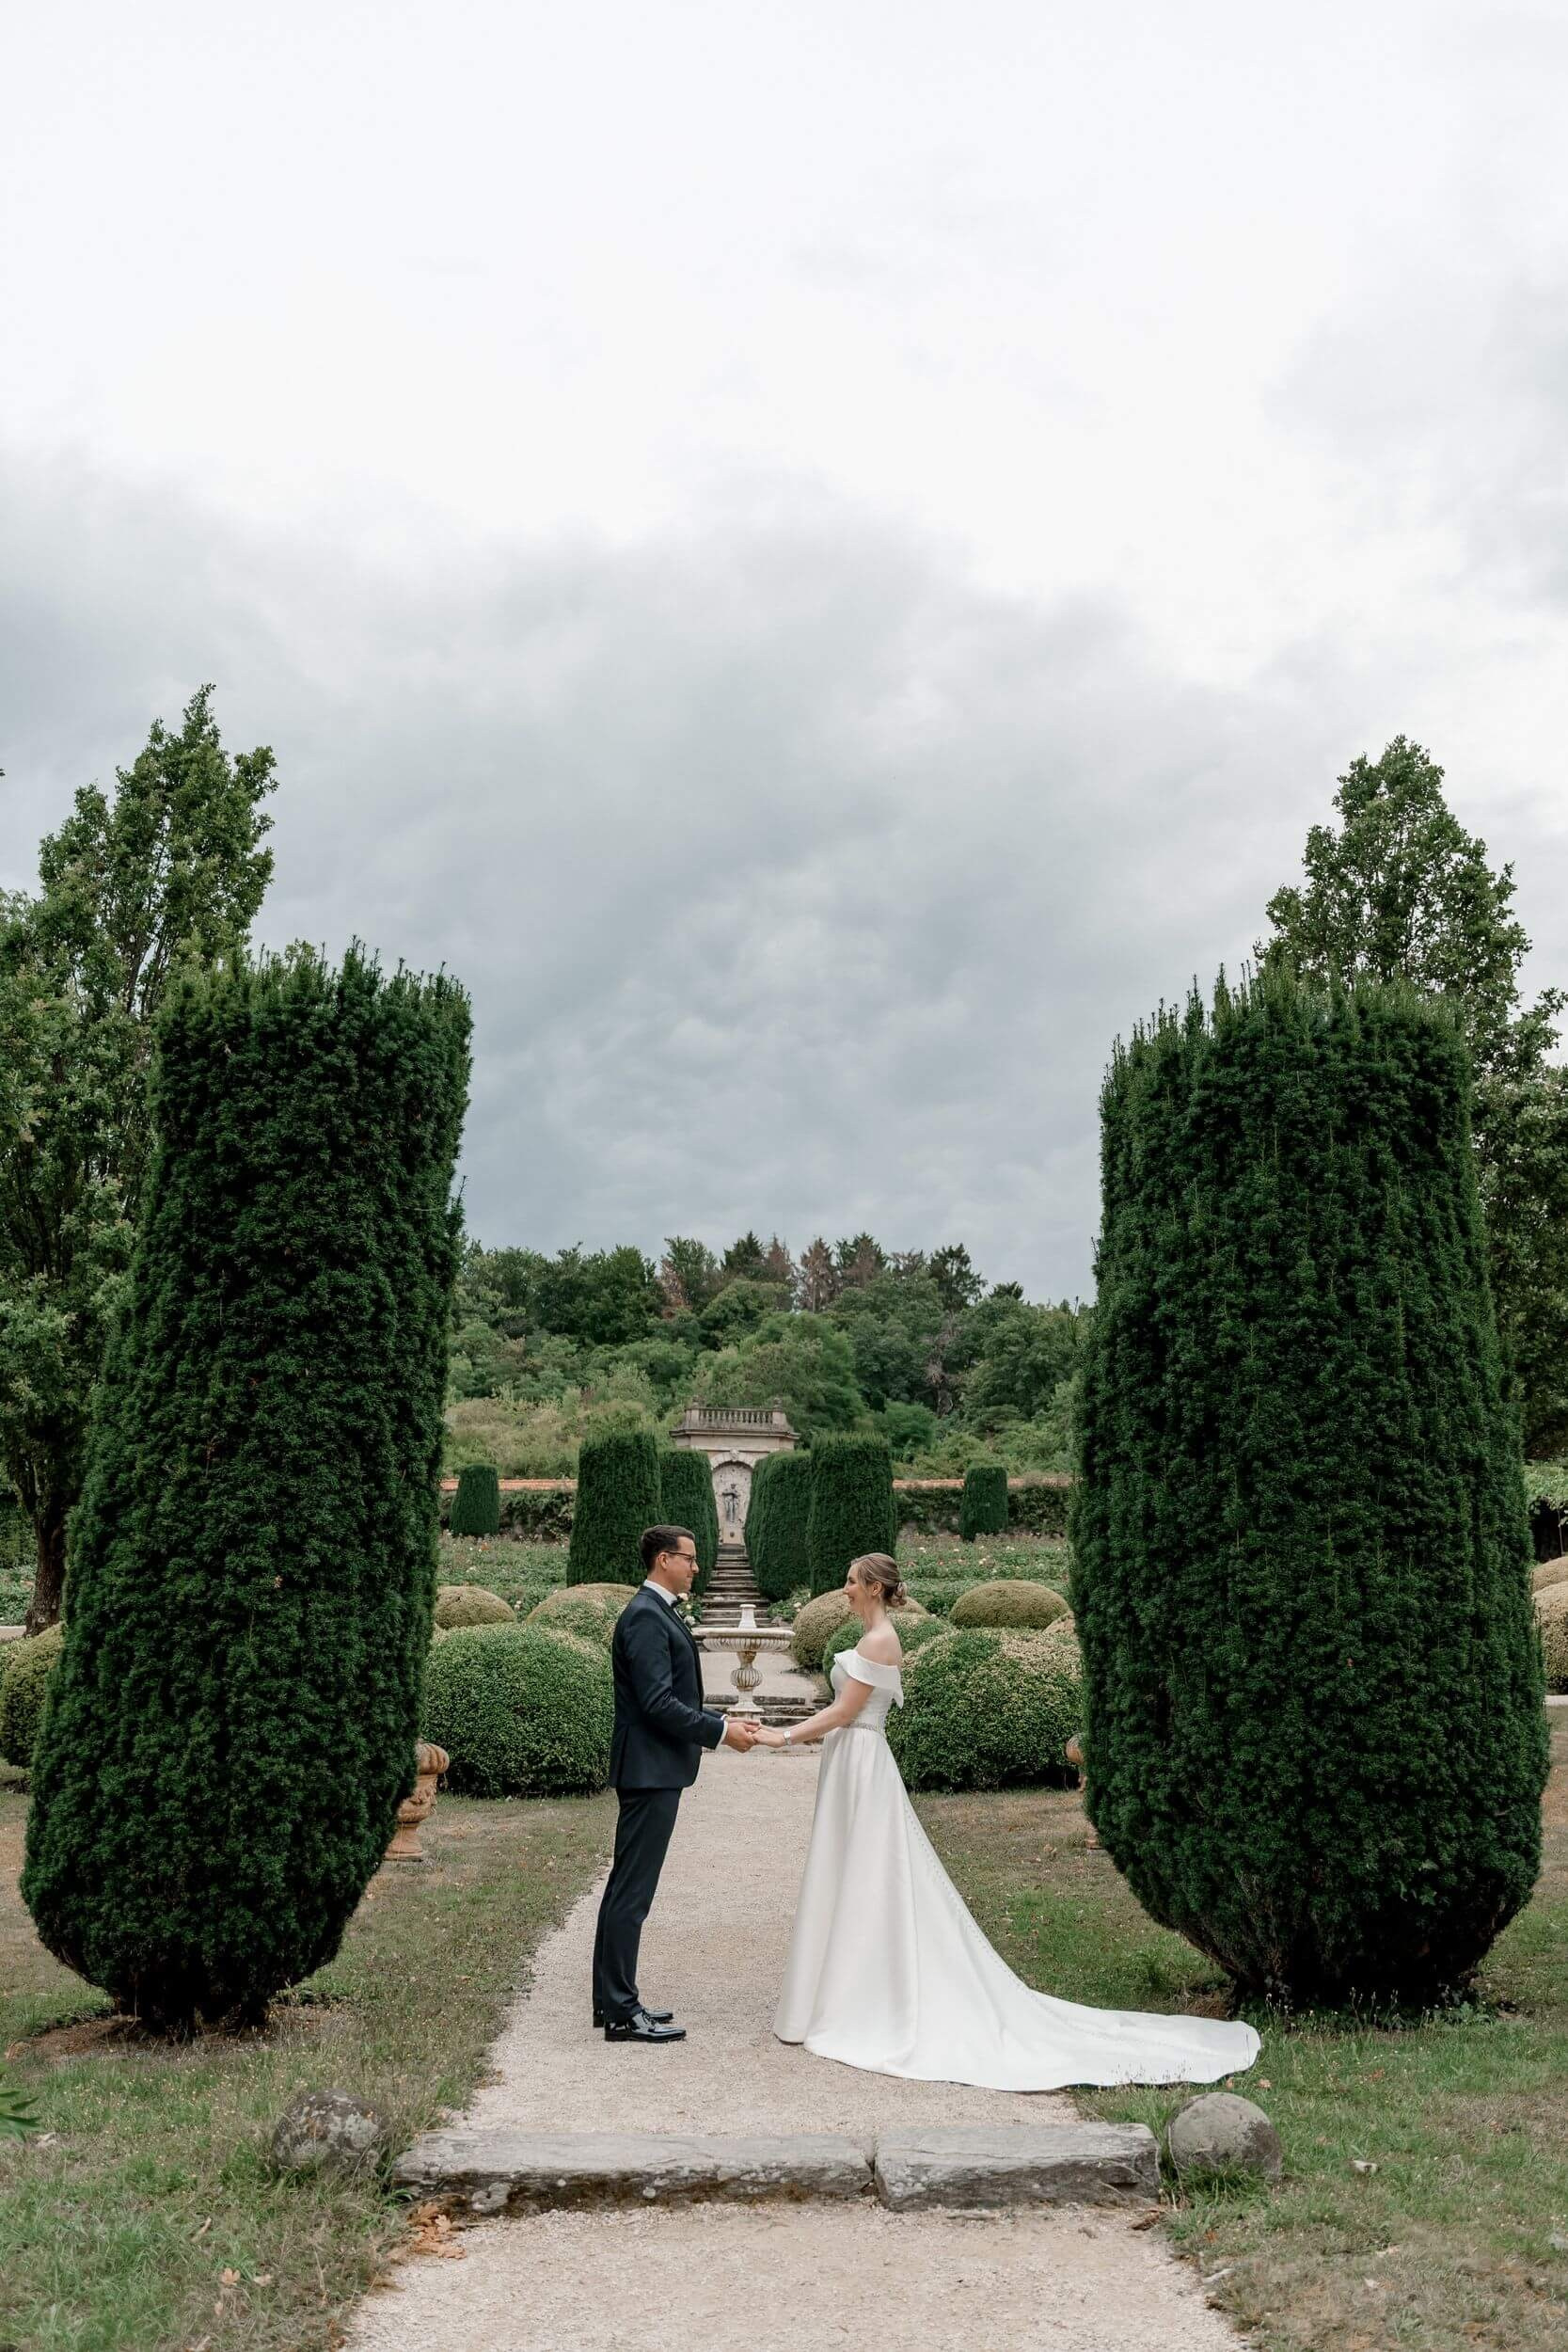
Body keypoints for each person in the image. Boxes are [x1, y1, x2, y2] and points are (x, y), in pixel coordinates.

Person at [755, 1553, 1261, 2091]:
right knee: (848, 1871)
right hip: (849, 1762)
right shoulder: (869, 1635)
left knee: (867, 1873)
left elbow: (842, 1712)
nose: (846, 1589)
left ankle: (862, 1996)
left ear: (876, 1588)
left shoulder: (881, 1641)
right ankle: (836, 1990)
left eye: (853, 1581)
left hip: (861, 1761)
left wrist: (777, 1737)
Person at [593, 1523, 760, 2043]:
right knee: (632, 1892)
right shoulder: (645, 1616)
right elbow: (657, 1704)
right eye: (689, 1559)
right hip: (648, 1768)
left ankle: (613, 2002)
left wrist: (719, 1719)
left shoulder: (657, 1611)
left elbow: (670, 1697)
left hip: (654, 1766)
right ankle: (621, 2011)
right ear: (664, 1559)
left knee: (627, 1888)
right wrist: (721, 1731)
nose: (696, 1566)